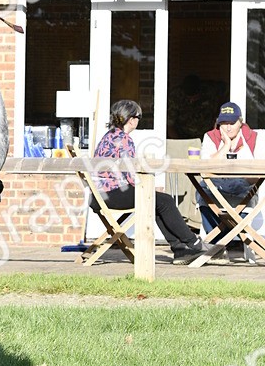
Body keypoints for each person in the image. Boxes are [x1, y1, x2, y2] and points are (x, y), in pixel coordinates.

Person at [94, 99, 222, 264]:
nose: (138, 121)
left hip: (101, 195)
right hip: (111, 194)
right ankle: (194, 243)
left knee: (156, 201)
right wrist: (147, 188)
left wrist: (148, 190)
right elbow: (130, 173)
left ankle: (180, 250)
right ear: (131, 119)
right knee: (165, 200)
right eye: (138, 117)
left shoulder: (109, 136)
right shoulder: (124, 140)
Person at [198, 101, 264, 261]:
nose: (228, 127)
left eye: (232, 123)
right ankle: (217, 244)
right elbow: (204, 169)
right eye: (224, 123)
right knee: (201, 190)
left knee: (243, 189)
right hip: (216, 191)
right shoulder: (210, 137)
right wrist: (226, 146)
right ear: (218, 123)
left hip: (244, 191)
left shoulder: (253, 138)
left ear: (240, 123)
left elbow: (258, 172)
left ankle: (228, 241)